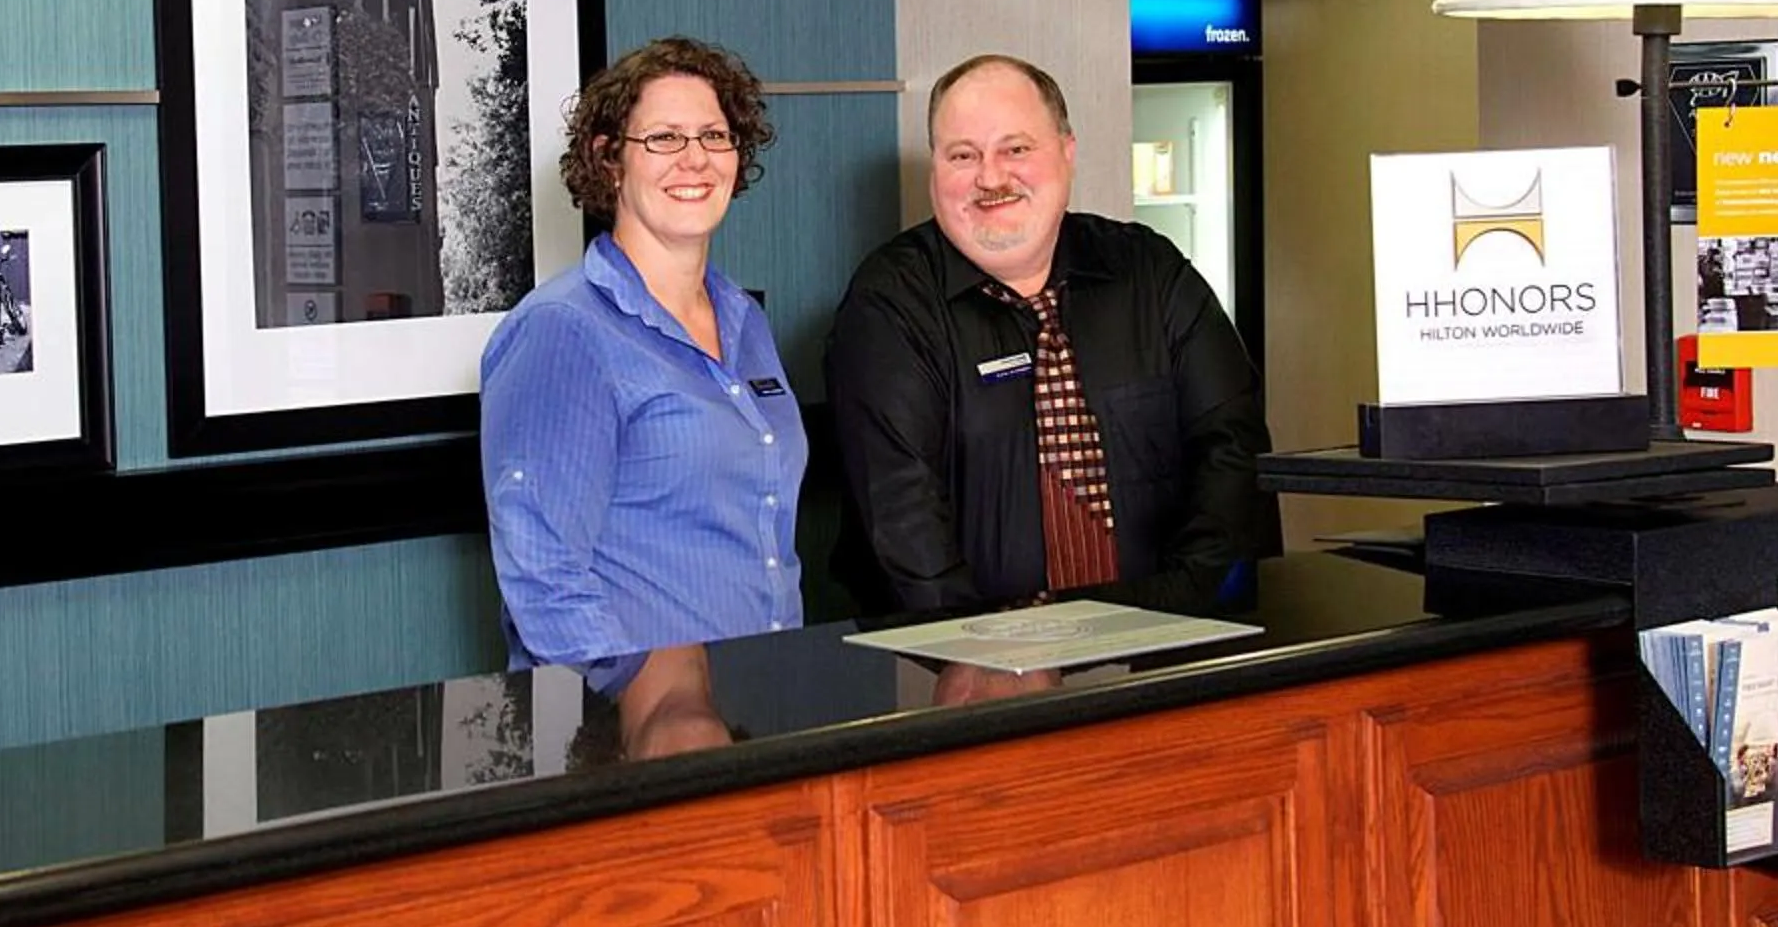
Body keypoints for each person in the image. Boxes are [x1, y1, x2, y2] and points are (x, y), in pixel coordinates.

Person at [825, 52, 1274, 615]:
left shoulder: (1150, 270)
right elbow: (900, 515)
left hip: (1165, 635)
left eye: (1016, 149)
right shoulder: (888, 305)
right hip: (962, 655)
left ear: (1067, 151)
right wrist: (981, 651)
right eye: (963, 155)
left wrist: (1178, 610)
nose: (991, 178)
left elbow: (1231, 446)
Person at [480, 37, 804, 758]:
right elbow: (543, 574)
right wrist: (648, 711)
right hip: (636, 743)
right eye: (663, 138)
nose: (695, 159)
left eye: (713, 136)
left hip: (759, 712)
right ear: (609, 160)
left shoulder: (743, 321)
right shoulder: (564, 331)